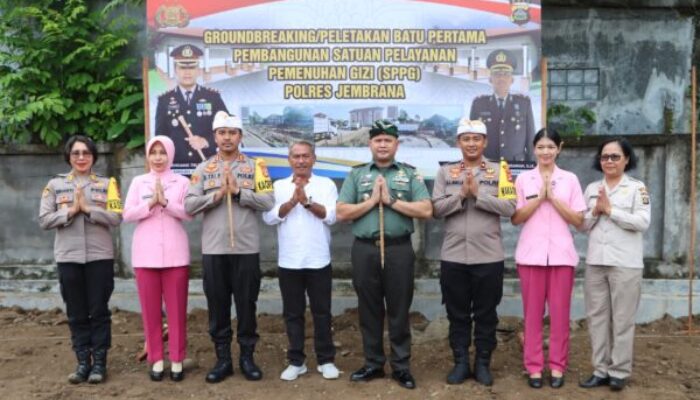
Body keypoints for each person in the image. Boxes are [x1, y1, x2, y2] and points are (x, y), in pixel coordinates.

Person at [337, 119, 432, 390]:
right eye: (377, 140)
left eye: (387, 140)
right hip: (365, 249)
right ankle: (373, 364)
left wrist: (391, 201)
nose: (382, 144)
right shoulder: (356, 175)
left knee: (399, 309)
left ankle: (401, 367)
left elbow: (426, 210)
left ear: (396, 144)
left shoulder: (410, 175)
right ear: (370, 144)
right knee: (369, 309)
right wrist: (371, 201)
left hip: (399, 249)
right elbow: (342, 212)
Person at [185, 111, 274, 383]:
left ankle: (247, 357)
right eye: (222, 133)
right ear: (214, 137)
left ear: (240, 136)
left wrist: (237, 193)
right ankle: (223, 359)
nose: (227, 137)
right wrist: (217, 195)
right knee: (218, 305)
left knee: (247, 305)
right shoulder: (203, 170)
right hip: (214, 250)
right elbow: (188, 205)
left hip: (246, 249)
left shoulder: (255, 167)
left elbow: (268, 201)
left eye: (232, 132)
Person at [432, 119, 516, 386]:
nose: (471, 143)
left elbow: (510, 207)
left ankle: (482, 363)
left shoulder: (500, 170)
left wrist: (480, 195)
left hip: (488, 257)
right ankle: (460, 363)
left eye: (476, 139)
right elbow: (435, 209)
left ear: (485, 142)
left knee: (486, 313)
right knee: (457, 314)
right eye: (466, 139)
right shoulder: (446, 173)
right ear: (458, 143)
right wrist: (460, 197)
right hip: (453, 257)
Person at [38, 135, 122, 384]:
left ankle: (100, 364)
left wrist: (88, 210)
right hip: (68, 258)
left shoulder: (108, 184)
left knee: (98, 311)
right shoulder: (54, 185)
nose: (81, 157)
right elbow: (44, 220)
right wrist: (70, 211)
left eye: (86, 153)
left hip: (99, 257)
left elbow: (117, 217)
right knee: (76, 312)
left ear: (94, 156)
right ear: (69, 157)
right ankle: (83, 362)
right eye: (76, 153)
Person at [511, 128, 586, 389]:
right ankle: (533, 367)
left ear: (559, 148)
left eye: (550, 147)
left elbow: (578, 220)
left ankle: (557, 366)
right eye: (541, 147)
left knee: (560, 315)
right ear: (534, 149)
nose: (545, 152)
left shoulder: (570, 179)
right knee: (532, 315)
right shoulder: (523, 180)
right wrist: (539, 198)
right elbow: (516, 218)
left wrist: (552, 198)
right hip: (530, 256)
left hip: (562, 256)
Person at [262, 141, 340, 381]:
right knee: (293, 313)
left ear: (314, 159)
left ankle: (326, 360)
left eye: (306, 156)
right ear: (289, 160)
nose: (301, 161)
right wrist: (292, 202)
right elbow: (269, 218)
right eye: (296, 156)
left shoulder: (326, 184)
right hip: (289, 261)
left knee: (322, 312)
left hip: (318, 260)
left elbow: (331, 216)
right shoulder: (279, 185)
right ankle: (297, 361)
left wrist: (306, 202)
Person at [579, 137, 650, 392]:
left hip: (625, 264)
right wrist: (595, 212)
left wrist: (611, 211)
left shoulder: (636, 188)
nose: (609, 161)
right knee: (597, 318)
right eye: (604, 156)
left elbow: (642, 222)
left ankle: (619, 371)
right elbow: (582, 225)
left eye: (615, 156)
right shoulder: (591, 189)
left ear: (626, 159)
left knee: (622, 319)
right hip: (596, 262)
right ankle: (600, 370)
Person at [123, 135, 192, 382]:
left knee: (176, 310)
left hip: (176, 254)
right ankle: (156, 359)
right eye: (154, 152)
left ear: (171, 155)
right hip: (145, 254)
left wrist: (167, 203)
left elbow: (189, 213)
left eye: (163, 152)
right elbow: (127, 213)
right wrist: (151, 204)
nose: (158, 157)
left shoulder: (182, 181)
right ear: (148, 156)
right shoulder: (139, 182)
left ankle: (176, 359)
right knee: (150, 311)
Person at [155, 44, 228, 173]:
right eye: (182, 67)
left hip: (207, 168)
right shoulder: (164, 100)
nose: (187, 72)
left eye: (192, 67)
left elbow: (227, 131)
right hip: (176, 170)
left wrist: (206, 141)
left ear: (198, 70)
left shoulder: (213, 97)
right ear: (175, 69)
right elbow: (160, 138)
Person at [470, 49, 535, 162]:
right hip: (487, 167)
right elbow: (471, 141)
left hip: (516, 167)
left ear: (512, 79)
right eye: (497, 74)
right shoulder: (478, 104)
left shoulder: (524, 104)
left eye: (506, 74)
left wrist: (533, 170)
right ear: (490, 79)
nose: (501, 78)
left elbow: (530, 141)